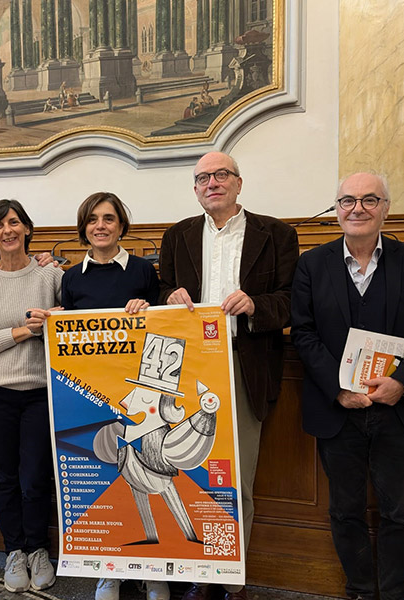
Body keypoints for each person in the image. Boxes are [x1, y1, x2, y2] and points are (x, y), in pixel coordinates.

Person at [290, 172, 404, 600]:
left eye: (369, 200)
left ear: (385, 209)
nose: (357, 208)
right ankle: (359, 589)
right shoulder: (312, 263)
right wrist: (338, 389)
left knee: (401, 512)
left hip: (399, 409)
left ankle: (395, 594)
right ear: (336, 209)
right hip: (338, 411)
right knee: (345, 510)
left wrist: (402, 382)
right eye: (348, 200)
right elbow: (303, 333)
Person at [158, 151, 299, 600]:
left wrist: (256, 305)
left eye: (221, 175)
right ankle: (201, 571)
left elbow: (292, 299)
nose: (212, 183)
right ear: (195, 189)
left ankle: (230, 577)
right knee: (190, 474)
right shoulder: (177, 235)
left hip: (244, 365)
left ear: (239, 183)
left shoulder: (276, 234)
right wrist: (170, 296)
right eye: (203, 178)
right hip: (188, 372)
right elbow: (162, 291)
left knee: (235, 478)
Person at [60, 192, 164, 600]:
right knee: (104, 479)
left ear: (122, 225)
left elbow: (163, 327)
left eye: (108, 218)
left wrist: (148, 308)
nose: (100, 226)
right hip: (91, 397)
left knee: (147, 474)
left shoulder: (143, 271)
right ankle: (110, 569)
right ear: (83, 227)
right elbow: (66, 338)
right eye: (92, 219)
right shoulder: (71, 278)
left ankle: (153, 570)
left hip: (139, 394)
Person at [0, 199, 61, 594]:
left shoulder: (51, 275)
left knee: (35, 476)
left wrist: (50, 324)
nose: (8, 230)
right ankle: (14, 551)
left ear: (27, 228)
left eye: (15, 222)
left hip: (39, 390)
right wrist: (24, 331)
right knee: (3, 477)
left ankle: (38, 549)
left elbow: (70, 325)